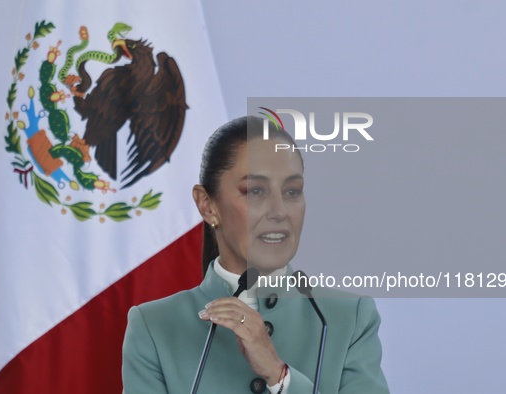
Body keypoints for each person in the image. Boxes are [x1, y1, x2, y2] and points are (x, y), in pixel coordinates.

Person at [122, 116, 389, 393]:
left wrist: (278, 374)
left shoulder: (348, 317)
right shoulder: (154, 326)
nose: (279, 211)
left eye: (292, 191)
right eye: (255, 191)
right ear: (207, 205)